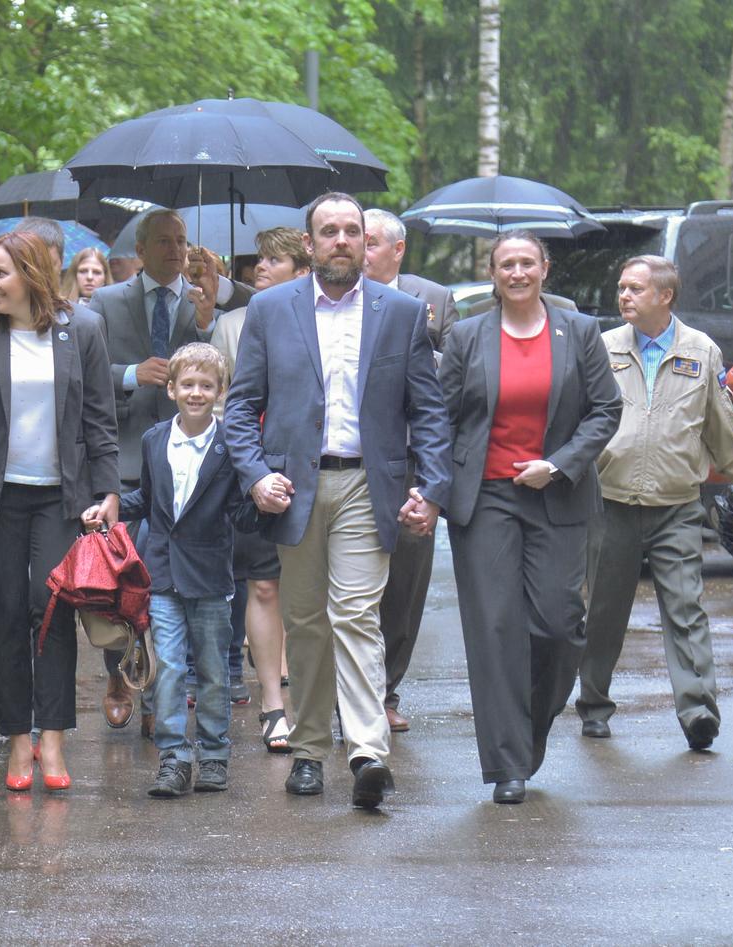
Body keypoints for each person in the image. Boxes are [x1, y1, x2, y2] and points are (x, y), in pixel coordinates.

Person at [224, 192, 452, 808]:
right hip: (293, 489)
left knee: (355, 613)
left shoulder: (401, 312)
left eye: (353, 231)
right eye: (330, 231)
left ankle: (368, 752)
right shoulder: (270, 309)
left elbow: (426, 412)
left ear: (365, 241)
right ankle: (308, 749)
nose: (343, 241)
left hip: (366, 484)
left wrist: (430, 489)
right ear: (309, 243)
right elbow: (241, 406)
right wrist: (253, 476)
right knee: (305, 621)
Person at [440, 231, 621, 805]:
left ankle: (530, 732)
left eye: (526, 263)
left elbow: (605, 409)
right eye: (505, 265)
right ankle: (506, 765)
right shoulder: (467, 336)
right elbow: (439, 418)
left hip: (557, 495)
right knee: (495, 629)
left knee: (558, 626)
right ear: (492, 274)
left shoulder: (581, 332)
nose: (516, 273)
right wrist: (428, 488)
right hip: (485, 498)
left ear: (545, 269)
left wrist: (561, 464)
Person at [0, 231, 118, 792]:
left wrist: (109, 490)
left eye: (0, 273)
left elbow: (100, 416)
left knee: (49, 607)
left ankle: (53, 736)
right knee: (3, 612)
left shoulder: (84, 328)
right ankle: (17, 738)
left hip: (62, 496)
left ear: (30, 273)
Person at [576, 255, 733, 750]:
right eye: (621, 288)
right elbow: (578, 422)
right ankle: (593, 704)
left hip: (677, 506)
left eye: (636, 289)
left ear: (665, 296)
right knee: (604, 613)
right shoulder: (603, 347)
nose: (624, 297)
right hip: (611, 503)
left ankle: (699, 711)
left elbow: (724, 432)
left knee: (685, 609)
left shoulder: (701, 352)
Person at [87, 208, 251, 734]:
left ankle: (170, 692)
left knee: (182, 583)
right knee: (122, 581)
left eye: (181, 241)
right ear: (141, 248)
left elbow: (249, 317)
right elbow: (86, 372)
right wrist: (132, 374)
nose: (175, 250)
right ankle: (121, 672)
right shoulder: (108, 302)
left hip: (194, 464)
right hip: (128, 454)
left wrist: (212, 303)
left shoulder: (205, 301)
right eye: (163, 241)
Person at [93, 342, 252, 796]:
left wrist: (267, 502)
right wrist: (114, 507)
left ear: (220, 391)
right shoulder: (154, 439)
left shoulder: (229, 446)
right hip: (162, 574)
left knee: (213, 670)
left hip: (210, 574)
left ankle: (215, 753)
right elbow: (148, 497)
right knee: (166, 669)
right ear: (171, 389)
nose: (196, 393)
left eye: (206, 385)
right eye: (188, 384)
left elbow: (240, 509)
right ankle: (173, 757)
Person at [210, 226, 311, 752]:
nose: (261, 269)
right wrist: (248, 469)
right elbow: (230, 401)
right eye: (258, 261)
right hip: (254, 470)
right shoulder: (235, 323)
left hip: (312, 470)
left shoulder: (325, 320)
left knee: (313, 592)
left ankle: (323, 700)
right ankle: (273, 702)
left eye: (274, 261)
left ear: (302, 269)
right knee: (263, 585)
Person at [361, 208, 458, 733]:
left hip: (412, 461)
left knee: (405, 584)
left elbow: (454, 375)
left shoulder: (434, 299)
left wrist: (420, 349)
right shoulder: (335, 295)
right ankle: (349, 692)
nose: (362, 250)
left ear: (398, 250)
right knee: (353, 584)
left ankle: (387, 690)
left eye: (371, 241)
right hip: (354, 458)